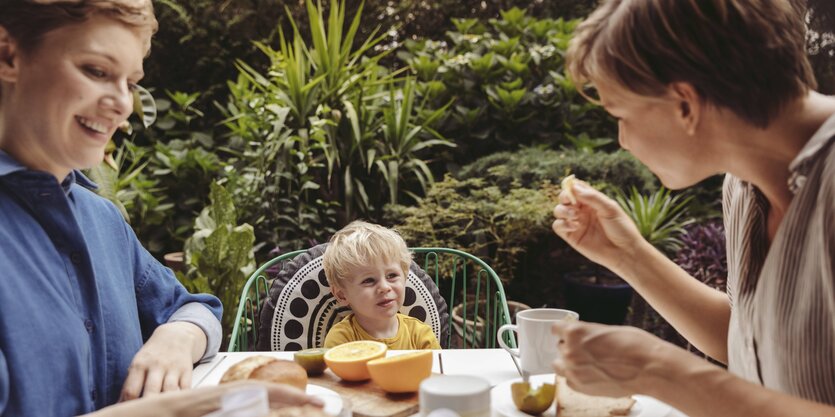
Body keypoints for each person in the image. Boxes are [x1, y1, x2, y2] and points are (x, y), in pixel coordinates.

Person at [0, 1, 320, 416]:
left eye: (131, 82)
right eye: (97, 71)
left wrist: (178, 337)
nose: (122, 103)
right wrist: (193, 405)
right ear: (9, 55)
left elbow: (195, 307)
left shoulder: (103, 220)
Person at [550, 0, 835, 416]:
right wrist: (626, 255)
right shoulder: (741, 185)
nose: (623, 140)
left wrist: (662, 372)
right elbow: (751, 339)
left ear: (685, 104)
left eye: (621, 114)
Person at [322, 221, 441, 349]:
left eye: (392, 276)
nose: (384, 287)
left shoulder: (421, 336)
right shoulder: (341, 339)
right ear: (342, 295)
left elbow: (437, 369)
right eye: (368, 280)